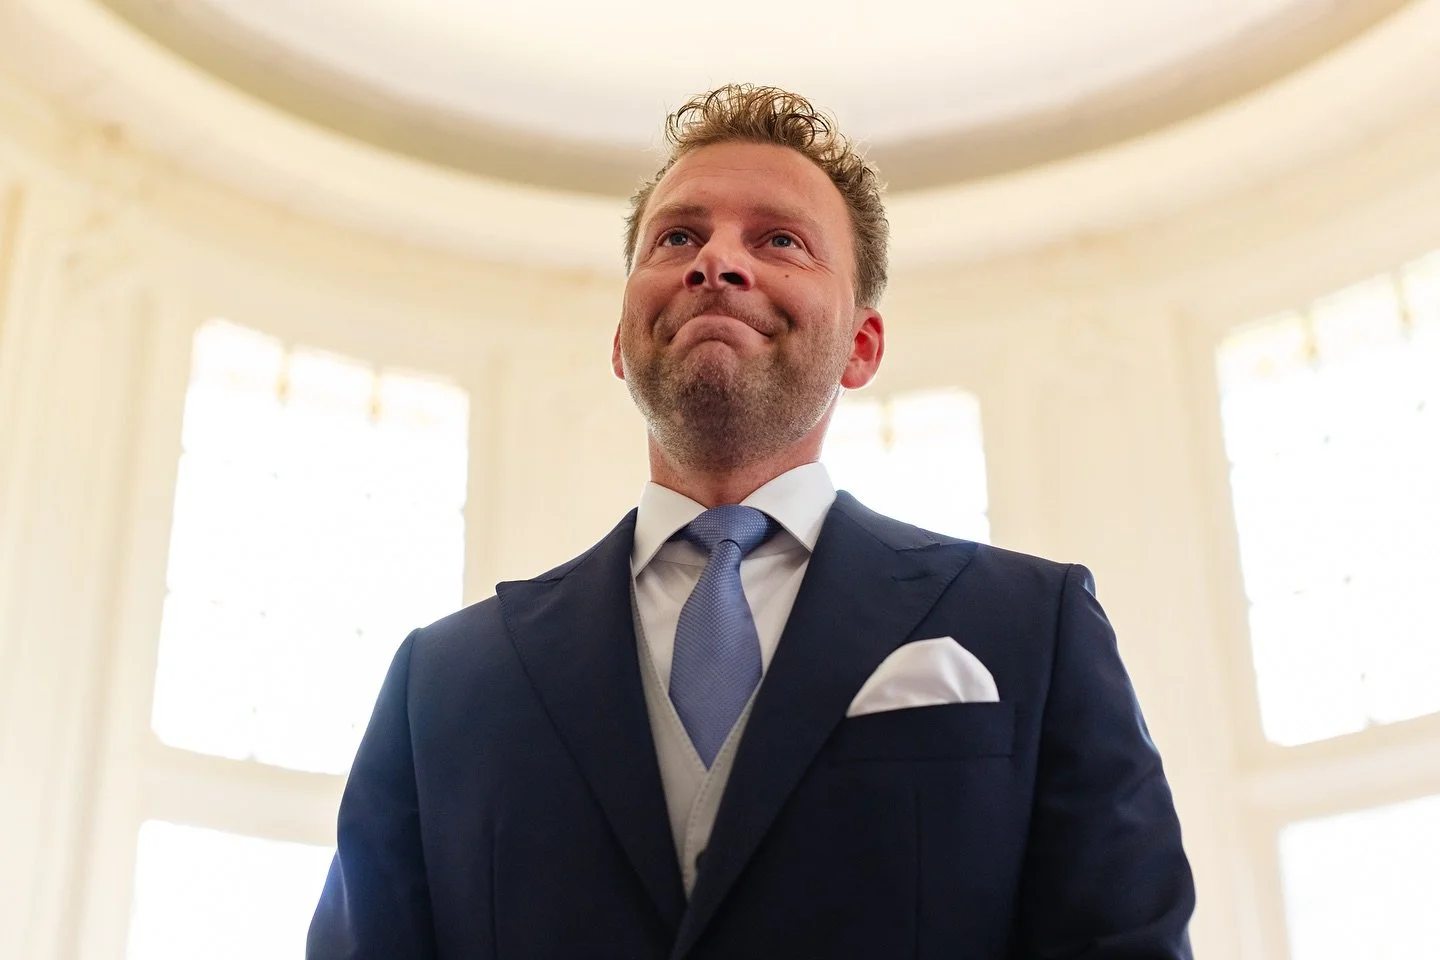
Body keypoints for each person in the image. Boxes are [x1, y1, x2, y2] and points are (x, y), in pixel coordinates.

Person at [307, 84, 1195, 959]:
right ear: (621, 340)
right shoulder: (443, 681)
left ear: (861, 345)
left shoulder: (1032, 629)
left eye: (779, 240)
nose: (716, 262)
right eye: (679, 237)